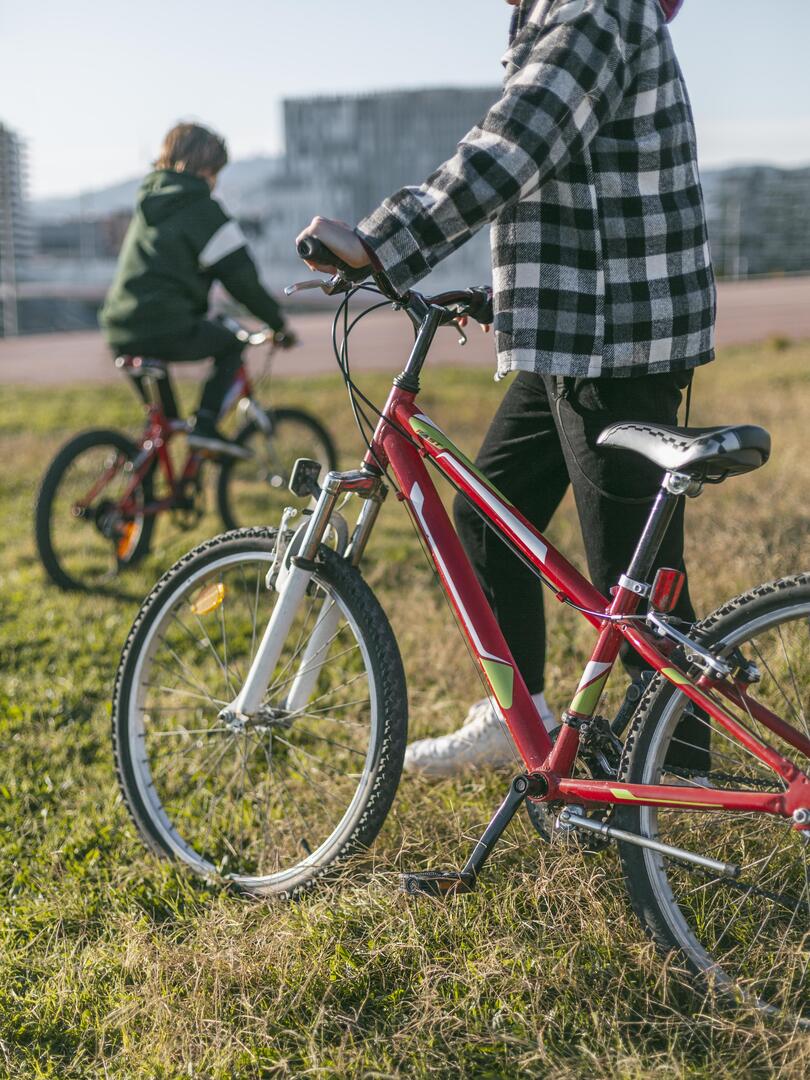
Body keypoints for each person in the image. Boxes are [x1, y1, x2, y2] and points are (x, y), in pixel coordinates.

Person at [297, 0, 713, 776]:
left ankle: (682, 779)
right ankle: (510, 714)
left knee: (633, 593)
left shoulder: (590, 8)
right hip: (577, 330)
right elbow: (578, 180)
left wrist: (383, 242)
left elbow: (518, 145)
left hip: (611, 339)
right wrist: (509, 295)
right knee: (491, 518)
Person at [101, 122, 295, 458]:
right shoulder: (202, 210)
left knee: (165, 425)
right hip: (164, 326)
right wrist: (278, 323)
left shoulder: (148, 202)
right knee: (230, 345)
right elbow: (242, 281)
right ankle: (205, 425)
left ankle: (146, 496)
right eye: (216, 171)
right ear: (207, 168)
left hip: (120, 327)